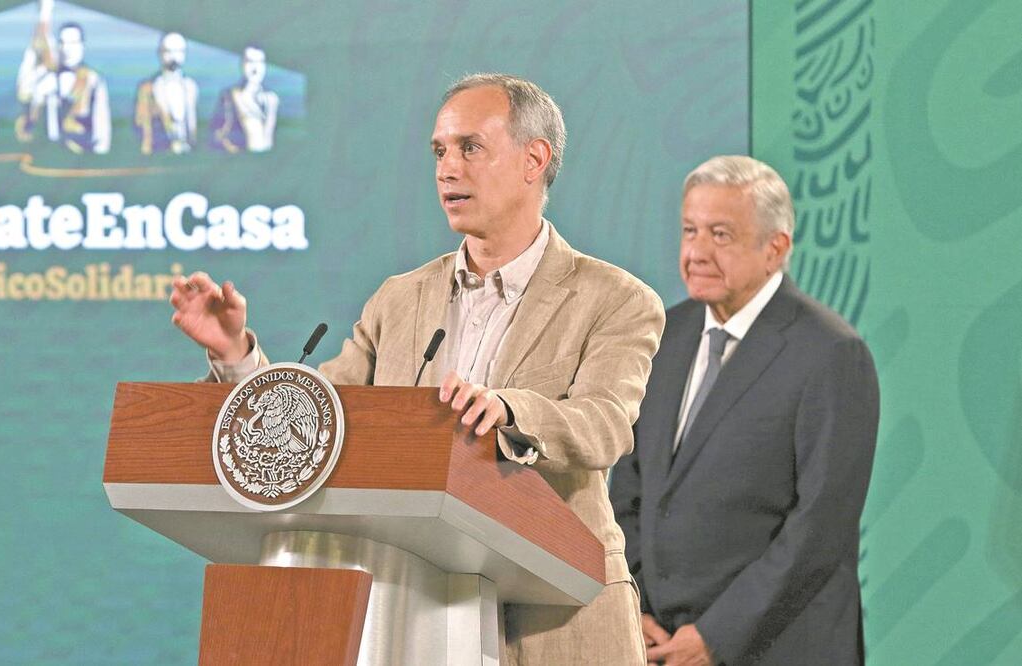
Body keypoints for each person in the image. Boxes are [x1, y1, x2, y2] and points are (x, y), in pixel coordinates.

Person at [170, 73, 664, 664]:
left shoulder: (614, 297)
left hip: (558, 612)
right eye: (439, 151)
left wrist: (508, 409)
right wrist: (234, 355)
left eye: (469, 148)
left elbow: (605, 423)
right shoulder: (399, 299)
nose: (446, 169)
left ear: (535, 159)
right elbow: (320, 421)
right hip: (416, 610)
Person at [609, 155, 879, 666]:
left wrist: (717, 636)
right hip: (660, 642)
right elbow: (630, 487)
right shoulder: (665, 335)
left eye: (721, 235)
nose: (697, 252)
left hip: (777, 648)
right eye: (690, 231)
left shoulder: (831, 354)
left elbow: (820, 527)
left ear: (775, 248)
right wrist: (633, 603)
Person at [15, 8, 111, 154]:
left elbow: (101, 132)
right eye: (63, 43)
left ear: (82, 45)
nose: (67, 49)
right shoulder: (46, 76)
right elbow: (24, 93)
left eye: (73, 43)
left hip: (78, 157)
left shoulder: (93, 80)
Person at [134, 32, 199, 154]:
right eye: (168, 51)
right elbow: (142, 126)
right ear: (160, 53)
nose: (174, 56)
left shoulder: (191, 87)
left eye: (179, 51)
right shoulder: (148, 88)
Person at [209, 45, 279, 153]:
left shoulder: (272, 99)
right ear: (242, 64)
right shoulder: (229, 96)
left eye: (260, 62)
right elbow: (216, 136)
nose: (255, 68)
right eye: (250, 62)